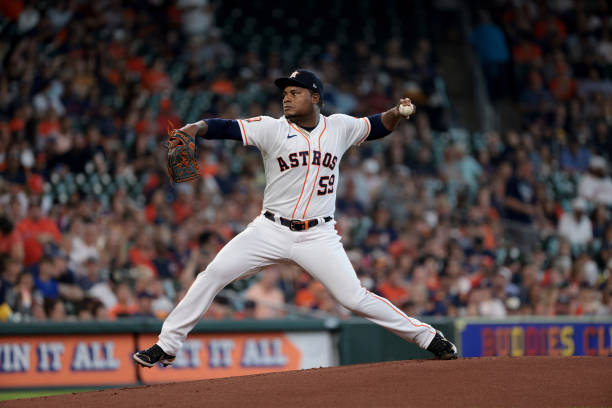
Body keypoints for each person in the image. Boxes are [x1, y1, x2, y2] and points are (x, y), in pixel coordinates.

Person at [133, 69, 457, 368]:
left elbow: (376, 125)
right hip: (270, 229)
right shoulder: (272, 129)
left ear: (315, 98)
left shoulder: (340, 127)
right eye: (284, 92)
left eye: (294, 92)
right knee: (213, 274)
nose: (286, 97)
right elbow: (226, 126)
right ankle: (167, 345)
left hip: (319, 235)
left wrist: (397, 114)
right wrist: (194, 128)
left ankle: (428, 337)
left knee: (353, 298)